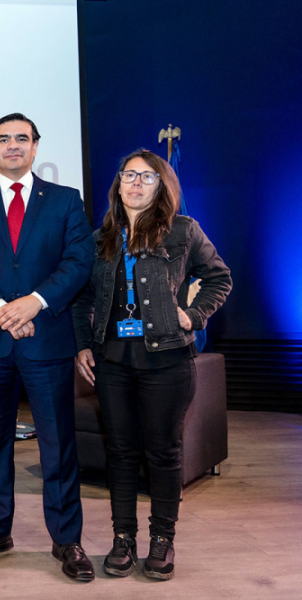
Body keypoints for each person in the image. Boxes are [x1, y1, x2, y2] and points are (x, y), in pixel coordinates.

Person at [0, 113, 95, 581]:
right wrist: (1, 310)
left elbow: (79, 261)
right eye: (3, 139)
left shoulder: (66, 201)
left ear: (36, 148)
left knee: (57, 443)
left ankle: (66, 539)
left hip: (47, 337)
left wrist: (32, 303)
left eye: (22, 139)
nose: (13, 146)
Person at [73, 149, 231, 580]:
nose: (136, 183)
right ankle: (123, 539)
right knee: (120, 453)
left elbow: (220, 277)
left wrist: (193, 316)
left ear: (162, 186)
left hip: (168, 360)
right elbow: (84, 299)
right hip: (112, 362)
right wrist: (83, 344)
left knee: (163, 452)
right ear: (118, 184)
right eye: (129, 175)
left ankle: (163, 539)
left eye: (147, 177)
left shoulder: (183, 231)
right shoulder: (100, 238)